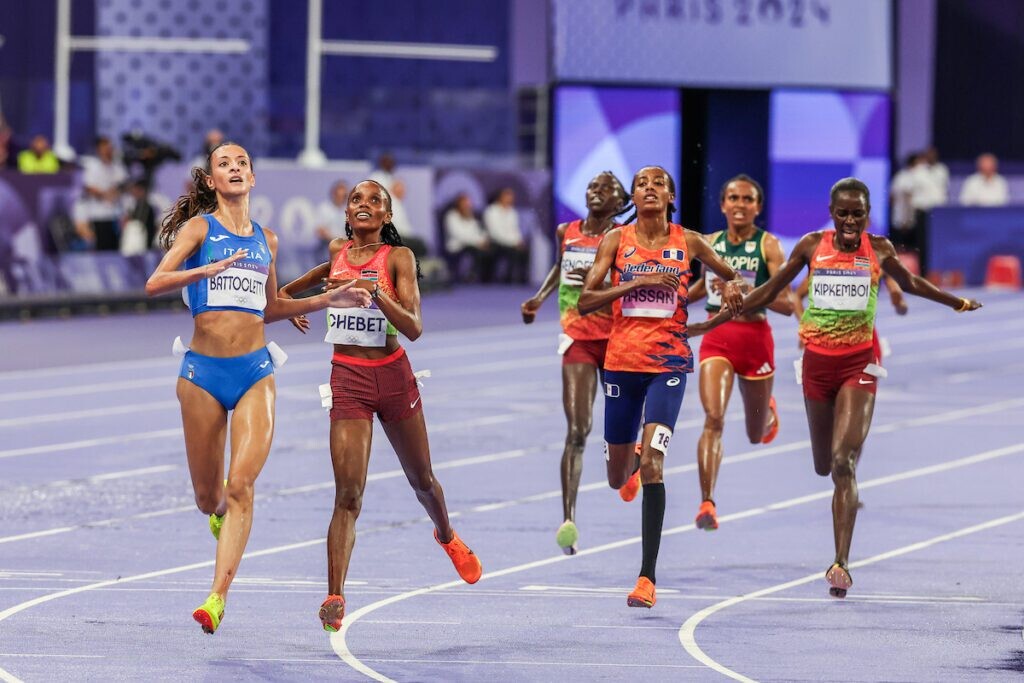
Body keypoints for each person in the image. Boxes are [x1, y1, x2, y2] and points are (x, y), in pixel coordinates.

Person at [144, 142, 370, 634]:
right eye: (224, 164)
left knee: (241, 485)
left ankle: (216, 598)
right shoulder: (200, 229)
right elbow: (154, 282)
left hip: (254, 372)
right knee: (209, 497)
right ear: (211, 181)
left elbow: (270, 308)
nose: (234, 168)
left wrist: (329, 299)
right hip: (202, 375)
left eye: (241, 163)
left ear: (251, 177)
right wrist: (201, 270)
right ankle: (217, 514)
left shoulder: (267, 240)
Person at [737, 177, 981, 599]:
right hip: (817, 368)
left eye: (858, 214)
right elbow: (775, 290)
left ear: (868, 215)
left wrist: (955, 301)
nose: (850, 221)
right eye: (843, 214)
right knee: (822, 465)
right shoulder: (811, 246)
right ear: (831, 214)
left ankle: (840, 563)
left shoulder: (879, 249)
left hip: (859, 365)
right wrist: (735, 306)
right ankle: (838, 532)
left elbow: (911, 283)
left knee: (843, 462)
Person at [278, 179, 483, 633]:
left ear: (387, 216)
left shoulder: (398, 258)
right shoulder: (337, 251)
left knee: (422, 480)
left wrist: (374, 290)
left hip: (392, 376)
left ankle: (446, 535)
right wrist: (291, 300)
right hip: (348, 379)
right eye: (357, 199)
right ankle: (335, 595)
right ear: (347, 213)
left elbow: (414, 327)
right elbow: (311, 280)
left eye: (375, 201)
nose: (364, 204)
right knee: (348, 494)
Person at [578, 166, 744, 609]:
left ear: (671, 196)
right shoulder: (616, 240)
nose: (650, 189)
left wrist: (733, 288)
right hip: (621, 365)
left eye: (659, 184)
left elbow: (731, 275)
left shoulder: (689, 241)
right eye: (642, 184)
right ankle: (629, 457)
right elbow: (586, 300)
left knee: (654, 464)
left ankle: (646, 578)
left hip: (668, 364)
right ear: (633, 197)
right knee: (617, 478)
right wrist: (638, 281)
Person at [520, 171, 628, 554]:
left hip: (618, 340)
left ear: (620, 202)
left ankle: (629, 464)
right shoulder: (566, 231)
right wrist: (539, 298)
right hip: (578, 338)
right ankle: (568, 520)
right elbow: (560, 266)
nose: (596, 192)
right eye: (592, 187)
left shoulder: (624, 238)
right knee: (578, 430)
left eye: (605, 189)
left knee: (623, 429)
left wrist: (599, 282)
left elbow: (633, 283)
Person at [683, 175, 793, 531]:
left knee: (754, 434)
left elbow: (787, 304)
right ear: (723, 205)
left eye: (748, 199)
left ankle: (768, 415)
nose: (740, 204)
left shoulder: (769, 245)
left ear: (758, 207)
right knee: (713, 418)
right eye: (733, 198)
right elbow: (705, 285)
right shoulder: (710, 242)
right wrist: (674, 302)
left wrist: (748, 289)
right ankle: (707, 503)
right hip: (717, 336)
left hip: (755, 340)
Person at [77, 136, 127, 251]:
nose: (107, 151)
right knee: (101, 247)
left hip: (115, 215)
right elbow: (89, 187)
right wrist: (105, 194)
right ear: (99, 150)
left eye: (109, 148)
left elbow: (123, 185)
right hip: (99, 215)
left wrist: (114, 192)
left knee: (116, 247)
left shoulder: (117, 167)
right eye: (104, 148)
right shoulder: (93, 166)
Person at [443, 192, 492, 282]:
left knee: (488, 249)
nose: (467, 206)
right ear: (458, 204)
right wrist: (478, 242)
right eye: (464, 203)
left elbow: (478, 233)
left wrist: (483, 241)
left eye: (468, 204)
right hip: (456, 247)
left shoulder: (471, 217)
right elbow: (458, 235)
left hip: (472, 245)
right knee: (473, 250)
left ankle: (483, 277)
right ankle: (468, 276)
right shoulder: (451, 216)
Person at [484, 187, 529, 283]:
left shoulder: (512, 212)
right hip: (496, 242)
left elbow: (515, 230)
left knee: (524, 250)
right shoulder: (491, 211)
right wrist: (513, 242)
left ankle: (519, 279)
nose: (510, 199)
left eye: (511, 197)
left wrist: (519, 241)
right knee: (510, 250)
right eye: (508, 196)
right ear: (500, 197)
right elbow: (494, 233)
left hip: (510, 243)